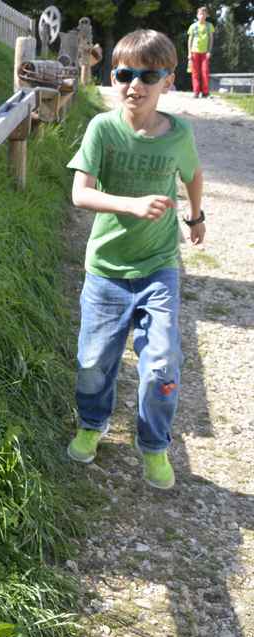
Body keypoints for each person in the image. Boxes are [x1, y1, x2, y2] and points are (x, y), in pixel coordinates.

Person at [65, 29, 205, 490]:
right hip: (106, 271)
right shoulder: (102, 129)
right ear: (113, 77)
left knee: (162, 365)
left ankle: (155, 445)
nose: (135, 85)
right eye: (125, 73)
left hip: (158, 268)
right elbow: (79, 193)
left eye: (149, 75)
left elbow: (193, 173)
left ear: (168, 81)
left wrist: (195, 216)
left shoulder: (178, 134)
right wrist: (130, 204)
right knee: (93, 363)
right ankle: (92, 424)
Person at [187, 6, 215, 97]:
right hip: (194, 52)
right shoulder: (193, 26)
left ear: (207, 15)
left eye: (204, 14)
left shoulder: (209, 26)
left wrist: (209, 51)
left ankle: (205, 93)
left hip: (205, 53)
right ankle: (196, 92)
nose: (202, 16)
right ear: (197, 15)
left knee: (205, 71)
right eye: (200, 14)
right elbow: (190, 40)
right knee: (195, 73)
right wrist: (189, 53)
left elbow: (211, 39)